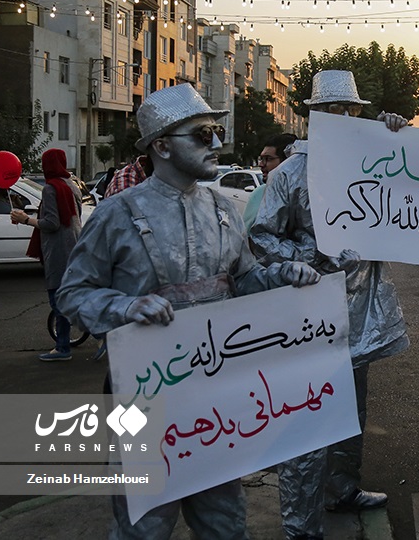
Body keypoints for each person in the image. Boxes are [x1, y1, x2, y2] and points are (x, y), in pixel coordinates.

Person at [57, 84, 320, 540]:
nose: (217, 144)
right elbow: (73, 293)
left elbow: (243, 279)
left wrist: (283, 276)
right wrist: (125, 305)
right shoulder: (117, 214)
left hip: (215, 402)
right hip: (143, 400)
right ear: (161, 145)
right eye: (202, 134)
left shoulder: (223, 208)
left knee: (225, 522)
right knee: (145, 526)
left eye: (217, 131)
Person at [250, 70, 410, 540]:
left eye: (350, 111)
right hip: (307, 317)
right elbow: (262, 237)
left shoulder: (372, 161)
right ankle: (301, 527)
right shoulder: (289, 174)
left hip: (358, 316)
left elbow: (412, 205)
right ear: (313, 115)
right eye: (332, 111)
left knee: (351, 413)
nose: (343, 118)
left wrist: (397, 140)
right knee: (306, 424)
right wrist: (313, 257)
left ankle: (343, 490)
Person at [11, 149, 83, 362]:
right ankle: (65, 344)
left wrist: (26, 219)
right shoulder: (71, 184)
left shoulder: (51, 188)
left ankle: (68, 346)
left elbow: (51, 223)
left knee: (58, 300)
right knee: (67, 296)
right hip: (74, 245)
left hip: (59, 250)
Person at [242, 132, 297, 230]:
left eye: (268, 159)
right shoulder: (259, 194)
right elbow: (245, 236)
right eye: (261, 159)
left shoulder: (305, 197)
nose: (261, 164)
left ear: (288, 162)